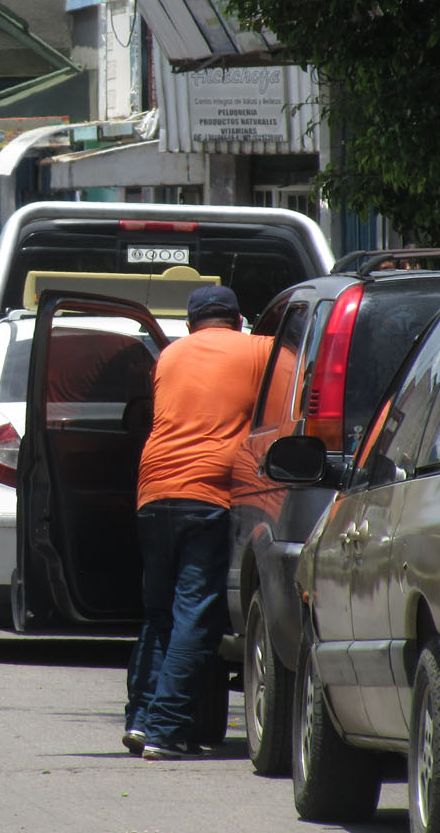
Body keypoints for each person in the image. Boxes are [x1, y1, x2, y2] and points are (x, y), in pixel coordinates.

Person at [124, 285, 272, 761]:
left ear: (191, 325)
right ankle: (165, 730)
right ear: (239, 318)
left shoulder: (169, 356)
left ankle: (141, 719)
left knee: (158, 614)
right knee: (194, 613)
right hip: (207, 494)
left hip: (152, 493)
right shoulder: (260, 350)